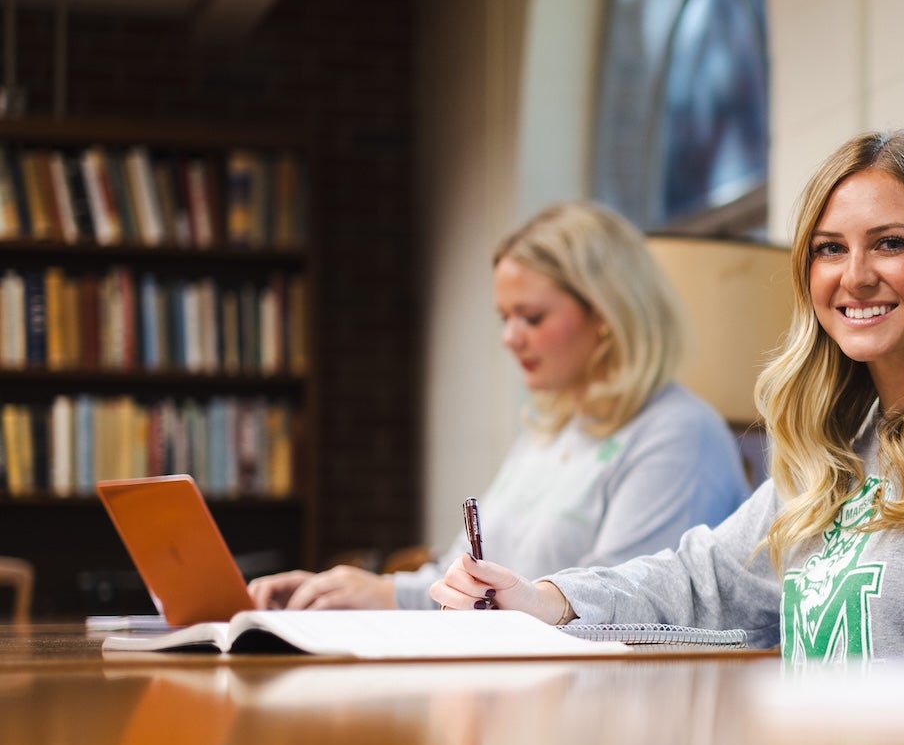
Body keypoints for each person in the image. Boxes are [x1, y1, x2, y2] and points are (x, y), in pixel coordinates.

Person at [430, 131, 904, 666]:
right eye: (829, 249)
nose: (856, 275)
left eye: (891, 244)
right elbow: (707, 581)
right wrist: (544, 599)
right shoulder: (840, 447)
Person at [250, 202, 746, 610]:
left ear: (607, 313)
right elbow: (466, 572)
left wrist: (387, 594)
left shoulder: (679, 434)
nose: (510, 338)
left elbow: (623, 605)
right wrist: (353, 592)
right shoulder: (549, 433)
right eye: (505, 317)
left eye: (530, 317)